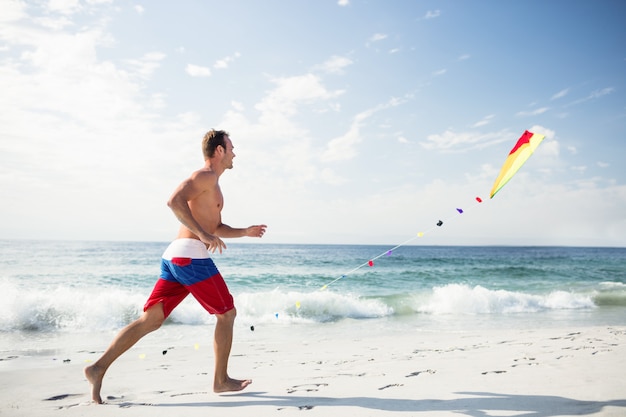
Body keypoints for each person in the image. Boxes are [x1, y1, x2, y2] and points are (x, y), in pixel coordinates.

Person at [84, 129, 267, 404]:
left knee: (152, 319)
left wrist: (244, 231)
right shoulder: (203, 176)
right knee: (227, 314)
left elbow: (215, 226)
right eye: (231, 147)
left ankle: (98, 368)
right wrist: (204, 236)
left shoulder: (213, 184)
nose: (234, 153)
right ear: (219, 151)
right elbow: (174, 202)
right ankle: (220, 380)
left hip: (176, 257)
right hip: (190, 255)